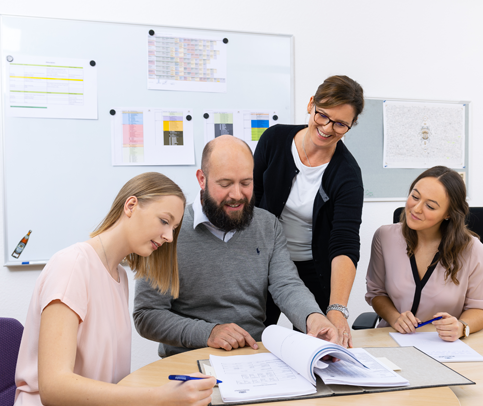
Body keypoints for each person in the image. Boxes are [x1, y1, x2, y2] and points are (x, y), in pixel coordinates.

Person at [3, 173, 216, 406]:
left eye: (174, 228)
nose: (168, 236)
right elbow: (54, 388)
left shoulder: (118, 277)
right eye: (164, 221)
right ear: (131, 206)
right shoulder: (73, 266)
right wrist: (158, 400)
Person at [133, 135, 341, 358]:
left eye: (245, 183)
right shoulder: (168, 231)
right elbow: (147, 315)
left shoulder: (268, 225)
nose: (237, 195)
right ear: (201, 180)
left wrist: (314, 317)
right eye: (225, 184)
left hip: (254, 358)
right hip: (189, 361)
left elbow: (287, 285)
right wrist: (208, 332)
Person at [254, 75, 365, 347]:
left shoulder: (347, 175)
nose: (328, 128)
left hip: (313, 272)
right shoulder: (274, 140)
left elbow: (344, 243)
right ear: (310, 104)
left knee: (312, 346)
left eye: (341, 124)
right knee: (252, 339)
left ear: (351, 126)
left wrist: (337, 309)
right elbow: (250, 201)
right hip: (264, 262)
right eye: (323, 115)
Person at [365, 166, 483, 342]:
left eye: (430, 206)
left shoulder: (473, 250)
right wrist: (395, 318)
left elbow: (481, 309)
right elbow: (376, 293)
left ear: (448, 213)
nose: (416, 209)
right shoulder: (385, 237)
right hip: (393, 340)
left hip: (443, 344)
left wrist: (462, 327)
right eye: (415, 197)